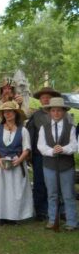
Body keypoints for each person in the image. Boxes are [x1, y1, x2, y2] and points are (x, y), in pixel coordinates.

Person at [0, 101, 33, 224]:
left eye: (10, 111)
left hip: (16, 165)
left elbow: (27, 149)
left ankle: (15, 216)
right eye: (5, 112)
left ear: (16, 113)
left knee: (15, 191)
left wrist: (19, 160)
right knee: (1, 191)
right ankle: (1, 216)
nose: (7, 114)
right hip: (1, 165)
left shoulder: (23, 131)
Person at [37, 97, 78, 231]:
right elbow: (41, 146)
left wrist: (64, 149)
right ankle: (52, 219)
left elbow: (74, 145)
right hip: (49, 165)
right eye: (53, 110)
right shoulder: (44, 128)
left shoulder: (70, 127)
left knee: (68, 194)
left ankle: (72, 222)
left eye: (59, 111)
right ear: (49, 112)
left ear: (64, 112)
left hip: (66, 166)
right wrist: (51, 151)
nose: (56, 113)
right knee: (52, 194)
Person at [26, 87, 61, 221]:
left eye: (48, 97)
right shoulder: (36, 116)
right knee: (40, 182)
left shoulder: (61, 114)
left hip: (58, 155)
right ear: (40, 100)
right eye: (43, 97)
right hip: (39, 155)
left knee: (56, 183)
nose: (46, 99)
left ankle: (57, 209)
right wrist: (29, 154)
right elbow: (30, 135)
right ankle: (40, 210)